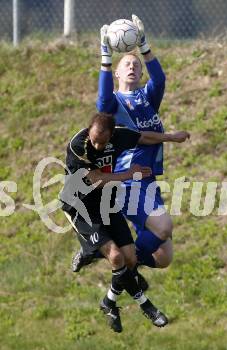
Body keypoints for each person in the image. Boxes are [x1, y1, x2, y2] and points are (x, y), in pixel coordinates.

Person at [61, 112, 188, 333]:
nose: (98, 145)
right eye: (94, 139)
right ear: (88, 130)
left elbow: (142, 137)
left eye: (103, 141)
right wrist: (129, 174)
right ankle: (147, 306)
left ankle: (108, 301)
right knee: (116, 256)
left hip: (107, 204)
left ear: (112, 135)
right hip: (81, 208)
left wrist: (171, 137)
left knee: (130, 259)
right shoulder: (78, 146)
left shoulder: (119, 135)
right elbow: (96, 179)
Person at [97, 15, 190, 273]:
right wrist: (105, 55)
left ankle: (126, 260)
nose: (132, 67)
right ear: (116, 72)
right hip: (128, 181)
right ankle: (123, 266)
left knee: (163, 257)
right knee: (164, 227)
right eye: (126, 63)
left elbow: (159, 80)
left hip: (148, 181)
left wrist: (143, 45)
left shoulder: (147, 97)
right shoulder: (114, 103)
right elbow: (102, 102)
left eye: (136, 65)